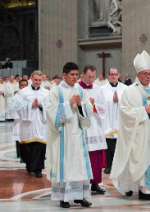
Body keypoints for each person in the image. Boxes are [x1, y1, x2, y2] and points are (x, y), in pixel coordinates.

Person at [110, 50, 150, 201]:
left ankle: (146, 190)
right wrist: (142, 111)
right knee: (138, 159)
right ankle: (136, 188)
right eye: (144, 74)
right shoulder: (130, 91)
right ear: (137, 75)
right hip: (139, 133)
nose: (147, 77)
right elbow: (124, 112)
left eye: (148, 74)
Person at [46, 62, 94, 208]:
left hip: (77, 134)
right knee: (66, 165)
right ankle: (64, 198)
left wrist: (80, 105)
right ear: (64, 75)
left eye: (76, 74)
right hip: (63, 135)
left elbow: (88, 110)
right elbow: (50, 113)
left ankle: (80, 196)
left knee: (79, 165)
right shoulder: (56, 91)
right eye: (72, 75)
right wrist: (68, 103)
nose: (74, 77)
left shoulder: (80, 89)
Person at [78, 65, 108, 195]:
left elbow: (104, 107)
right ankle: (81, 184)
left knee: (95, 156)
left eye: (93, 77)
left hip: (94, 126)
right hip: (81, 126)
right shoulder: (76, 88)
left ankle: (95, 183)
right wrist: (86, 104)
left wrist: (94, 105)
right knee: (82, 155)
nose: (91, 79)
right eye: (89, 76)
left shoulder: (98, 89)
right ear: (82, 74)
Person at [15, 70, 49, 178]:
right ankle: (30, 165)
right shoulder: (23, 92)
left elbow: (50, 107)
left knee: (39, 146)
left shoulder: (46, 93)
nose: (37, 82)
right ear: (31, 78)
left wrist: (41, 105)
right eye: (35, 80)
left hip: (40, 123)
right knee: (26, 147)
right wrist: (30, 105)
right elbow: (18, 106)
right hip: (27, 123)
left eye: (39, 80)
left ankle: (38, 169)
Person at [101, 67, 128, 174]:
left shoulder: (125, 88)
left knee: (119, 144)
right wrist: (112, 101)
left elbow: (127, 103)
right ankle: (109, 165)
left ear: (118, 75)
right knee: (108, 143)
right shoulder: (102, 89)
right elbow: (101, 104)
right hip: (108, 121)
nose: (113, 76)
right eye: (111, 74)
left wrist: (119, 100)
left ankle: (120, 165)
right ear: (108, 76)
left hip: (120, 121)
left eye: (115, 74)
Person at [8, 79, 28, 163]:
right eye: (22, 85)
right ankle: (21, 155)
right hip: (19, 120)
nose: (23, 87)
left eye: (25, 85)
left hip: (29, 120)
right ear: (19, 86)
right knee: (19, 137)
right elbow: (11, 108)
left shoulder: (30, 96)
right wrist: (20, 115)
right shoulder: (15, 97)